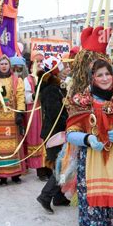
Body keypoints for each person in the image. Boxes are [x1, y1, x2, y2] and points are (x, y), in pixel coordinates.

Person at [64, 59, 113, 226]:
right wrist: (88, 139)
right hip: (90, 162)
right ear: (93, 78)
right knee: (92, 208)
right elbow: (70, 132)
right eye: (100, 75)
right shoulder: (82, 100)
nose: (105, 78)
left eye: (107, 74)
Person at [36, 57, 70, 213]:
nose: (65, 72)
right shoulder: (50, 89)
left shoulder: (54, 87)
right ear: (56, 71)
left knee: (64, 164)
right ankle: (45, 195)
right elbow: (55, 113)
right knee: (61, 166)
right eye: (62, 69)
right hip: (55, 133)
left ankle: (59, 196)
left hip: (56, 132)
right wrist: (69, 121)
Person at [0, 55, 26, 185]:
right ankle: (2, 176)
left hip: (12, 115)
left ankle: (15, 173)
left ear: (9, 65)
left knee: (14, 144)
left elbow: (20, 96)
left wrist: (20, 113)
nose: (4, 66)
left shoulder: (17, 80)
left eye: (6, 64)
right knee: (0, 146)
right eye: (2, 64)